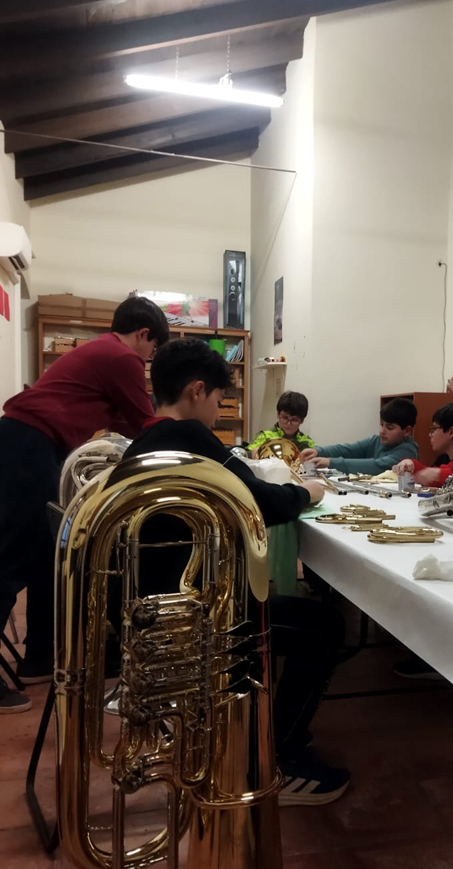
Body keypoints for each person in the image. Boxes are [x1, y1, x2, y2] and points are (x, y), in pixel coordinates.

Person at [118, 338, 350, 805]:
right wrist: (309, 492)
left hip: (150, 607)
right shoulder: (188, 437)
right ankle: (278, 759)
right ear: (196, 390)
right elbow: (261, 503)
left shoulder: (144, 442)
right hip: (193, 615)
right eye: (219, 400)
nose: (217, 413)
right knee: (326, 626)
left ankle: (271, 733)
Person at [0, 295, 170, 713]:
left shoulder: (102, 353)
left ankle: (40, 656)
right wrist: (185, 436)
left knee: (46, 556)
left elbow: (125, 421)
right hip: (29, 444)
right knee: (12, 559)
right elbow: (144, 423)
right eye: (153, 349)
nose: (149, 359)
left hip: (28, 443)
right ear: (143, 334)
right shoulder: (122, 357)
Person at [300, 397, 419, 476]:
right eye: (381, 424)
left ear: (407, 431)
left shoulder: (407, 451)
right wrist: (318, 451)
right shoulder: (376, 440)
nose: (382, 431)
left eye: (390, 427)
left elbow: (376, 466)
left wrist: (330, 462)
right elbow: (348, 449)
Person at [248, 390, 316, 457]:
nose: (289, 423)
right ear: (278, 415)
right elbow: (245, 455)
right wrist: (252, 454)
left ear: (302, 420)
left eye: (294, 420)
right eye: (285, 418)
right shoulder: (264, 436)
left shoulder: (307, 442)